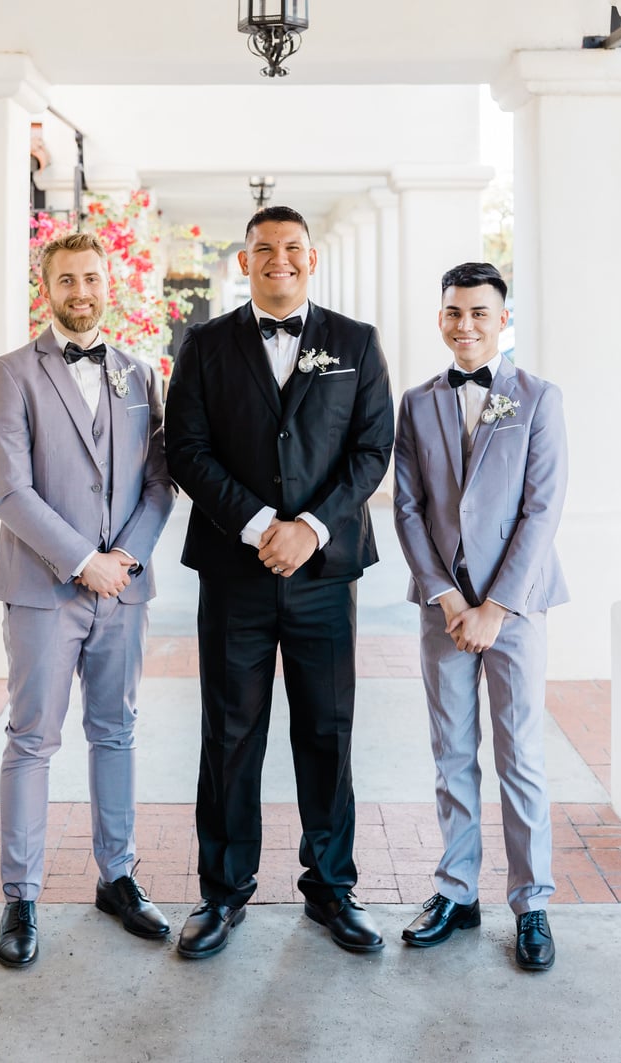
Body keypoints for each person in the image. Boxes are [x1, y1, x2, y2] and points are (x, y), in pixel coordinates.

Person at [164, 206, 394, 959]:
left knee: (327, 731)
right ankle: (223, 893)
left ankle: (331, 890)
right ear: (244, 260)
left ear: (312, 258)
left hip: (326, 572)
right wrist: (263, 524)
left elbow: (371, 448)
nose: (279, 260)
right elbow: (187, 451)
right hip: (237, 570)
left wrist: (311, 528)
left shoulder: (356, 342)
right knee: (229, 734)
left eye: (292, 248)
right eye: (265, 249)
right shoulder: (202, 345)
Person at [0, 232, 176, 968]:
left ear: (109, 282)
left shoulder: (138, 373)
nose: (82, 291)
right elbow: (8, 490)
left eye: (92, 277)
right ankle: (21, 893)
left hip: (122, 589)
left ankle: (117, 877)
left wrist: (122, 558)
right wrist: (81, 560)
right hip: (42, 589)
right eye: (67, 279)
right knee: (33, 739)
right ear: (47, 285)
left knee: (117, 732)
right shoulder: (9, 374)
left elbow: (161, 480)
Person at [393, 261, 568, 971]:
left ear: (502, 320)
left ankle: (532, 903)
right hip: (444, 610)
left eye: (479, 313)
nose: (465, 324)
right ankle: (457, 891)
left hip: (515, 608)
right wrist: (447, 596)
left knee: (520, 755)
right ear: (440, 318)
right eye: (454, 312)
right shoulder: (417, 401)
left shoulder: (538, 398)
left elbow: (543, 507)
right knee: (452, 752)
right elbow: (406, 508)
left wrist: (494, 606)